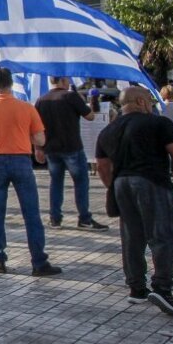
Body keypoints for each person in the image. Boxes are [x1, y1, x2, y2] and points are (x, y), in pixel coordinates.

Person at [95, 86, 173, 317]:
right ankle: (162, 287)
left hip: (121, 184)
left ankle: (137, 288)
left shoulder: (108, 130)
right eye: (150, 100)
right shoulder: (158, 123)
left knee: (132, 237)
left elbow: (102, 166)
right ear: (140, 101)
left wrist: (113, 187)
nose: (151, 105)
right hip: (152, 181)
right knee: (166, 236)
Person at [0, 68, 62, 276]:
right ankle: (39, 261)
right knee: (31, 212)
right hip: (21, 160)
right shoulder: (27, 108)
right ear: (11, 84)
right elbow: (40, 139)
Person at [35, 76, 108, 231]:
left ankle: (55, 219)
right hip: (72, 147)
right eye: (67, 80)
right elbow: (90, 116)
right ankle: (84, 219)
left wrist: (38, 148)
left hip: (51, 148)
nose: (69, 82)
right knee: (81, 182)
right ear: (62, 81)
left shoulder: (41, 100)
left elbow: (36, 127)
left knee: (56, 183)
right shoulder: (70, 96)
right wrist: (83, 100)